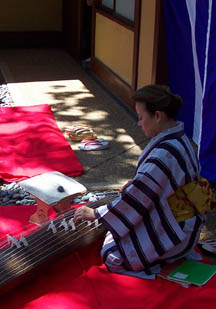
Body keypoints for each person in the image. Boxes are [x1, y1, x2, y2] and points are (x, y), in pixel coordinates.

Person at [73, 85, 208, 279]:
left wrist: (95, 213)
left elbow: (136, 198)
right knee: (121, 224)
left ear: (158, 116)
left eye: (141, 117)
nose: (138, 123)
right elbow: (158, 186)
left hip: (179, 233)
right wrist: (139, 184)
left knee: (113, 255)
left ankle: (162, 261)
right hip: (188, 222)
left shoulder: (162, 154)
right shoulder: (181, 139)